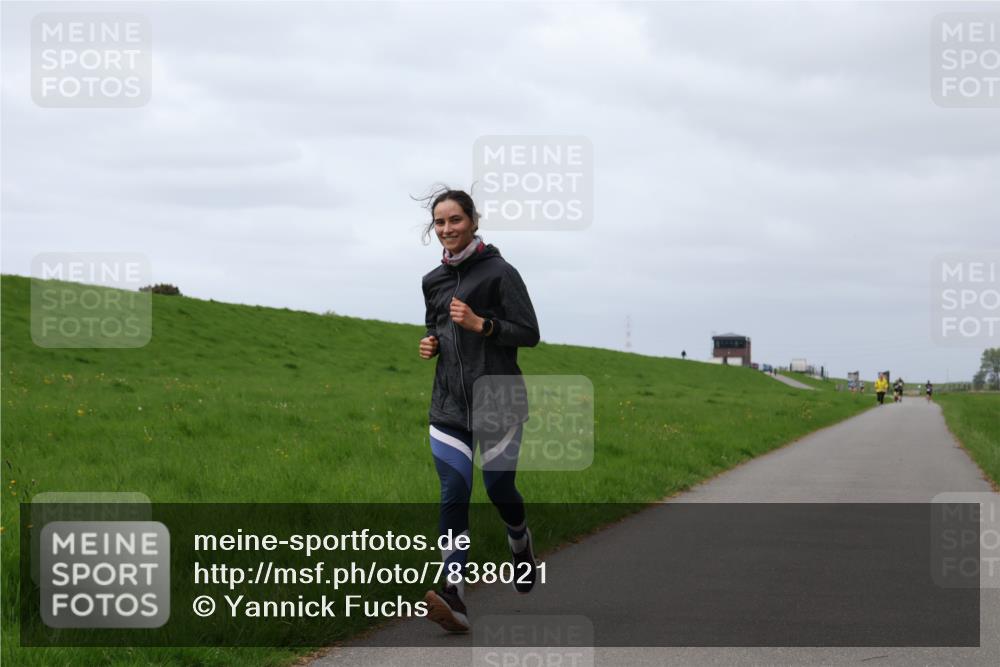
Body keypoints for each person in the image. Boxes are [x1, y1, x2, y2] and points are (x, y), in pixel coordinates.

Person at [418, 188, 540, 633]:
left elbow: (529, 332)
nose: (447, 229)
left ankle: (519, 538)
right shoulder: (433, 280)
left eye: (455, 220)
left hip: (499, 401)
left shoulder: (500, 272)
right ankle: (455, 595)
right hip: (448, 405)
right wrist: (431, 343)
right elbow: (434, 327)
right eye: (440, 223)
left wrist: (481, 325)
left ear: (473, 219)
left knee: (499, 488)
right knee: (454, 491)